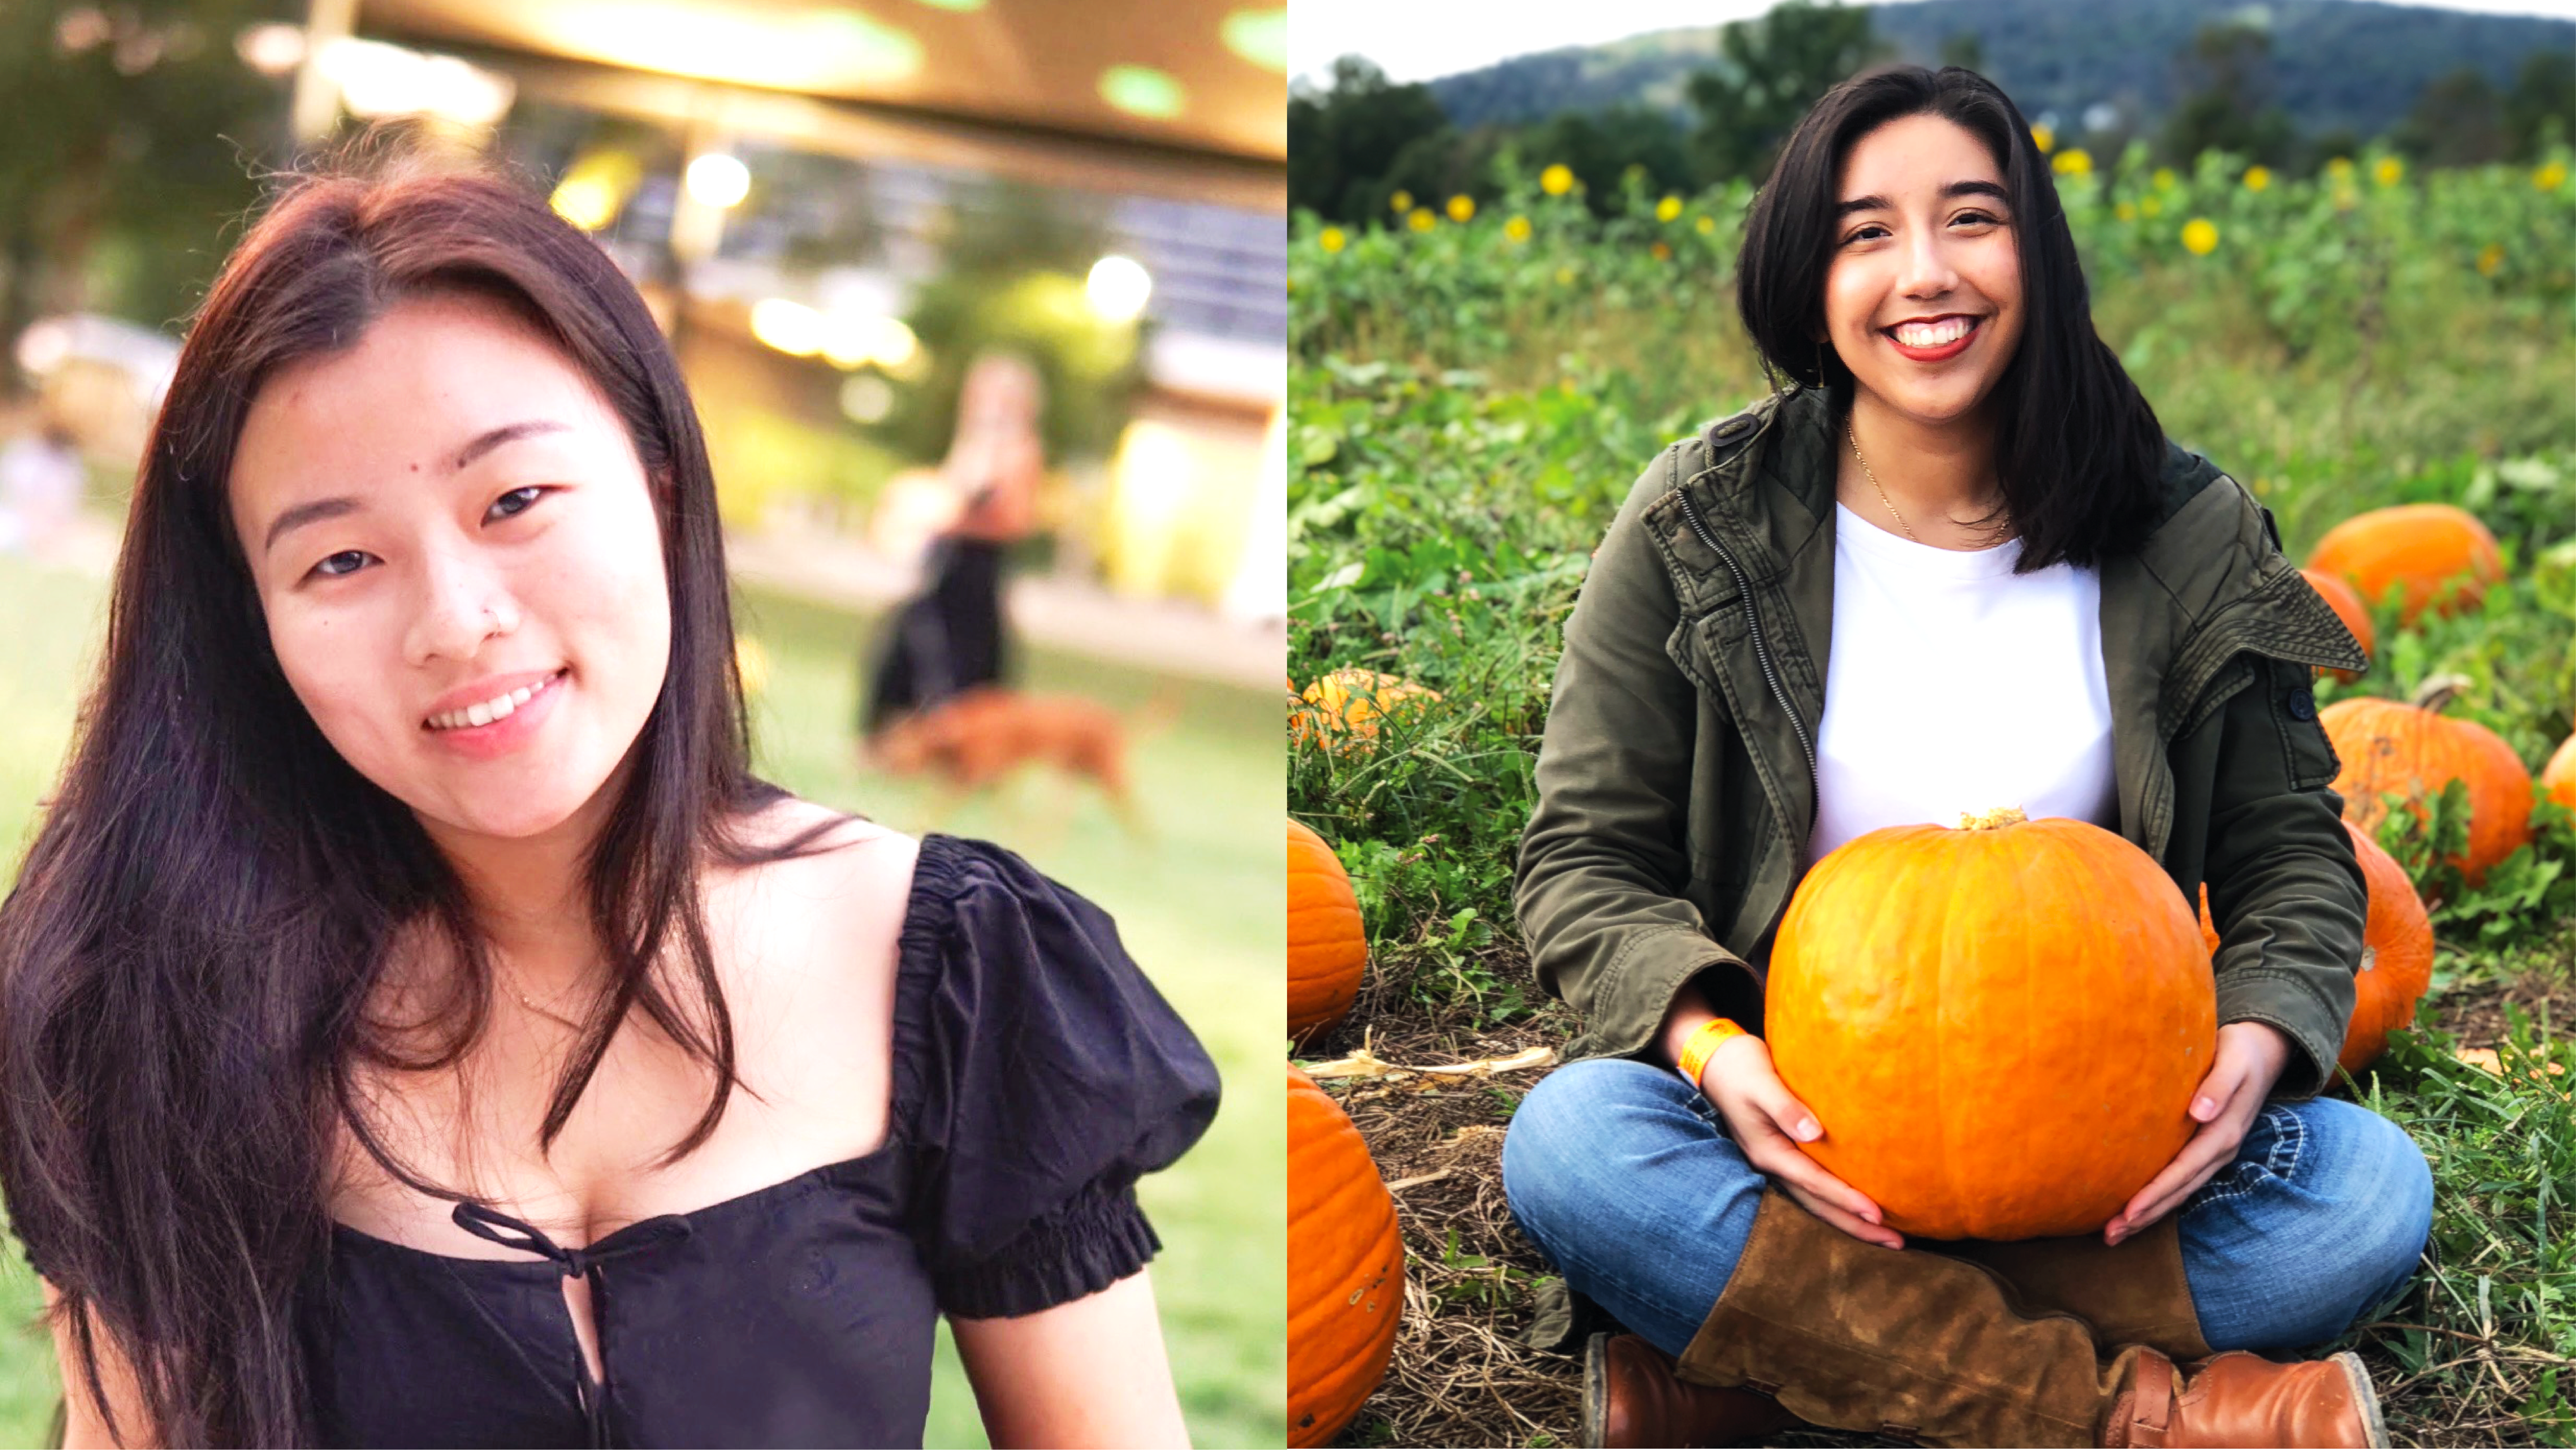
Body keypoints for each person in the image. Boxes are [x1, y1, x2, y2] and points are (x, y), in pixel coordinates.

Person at [0, 154, 1218, 1449]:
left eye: (515, 498)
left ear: (663, 485)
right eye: (341, 559)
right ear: (253, 628)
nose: (456, 621)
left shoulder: (958, 968)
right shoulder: (149, 1001)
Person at [1499, 65, 2430, 1449]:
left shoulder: (2188, 530)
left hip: (2102, 1153)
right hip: (1796, 1139)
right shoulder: (1700, 521)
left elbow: (2288, 845)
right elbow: (1582, 860)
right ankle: (2134, 1418)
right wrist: (1704, 1048)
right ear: (1807, 277)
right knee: (1574, 1147)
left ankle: (1764, 1365)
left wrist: (2260, 1026)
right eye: (1865, 232)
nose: (1922, 273)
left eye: (1969, 219)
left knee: (2359, 1192)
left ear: (2034, 251)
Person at [860, 352, 1045, 742]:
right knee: (908, 648)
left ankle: (968, 749)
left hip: (976, 567)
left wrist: (944, 516)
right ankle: (892, 737)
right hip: (946, 559)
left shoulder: (1018, 450)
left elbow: (1010, 517)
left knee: (964, 665)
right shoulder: (972, 442)